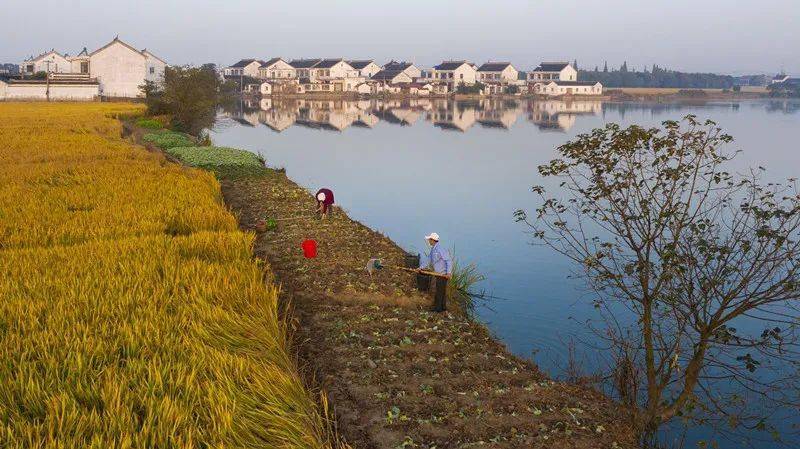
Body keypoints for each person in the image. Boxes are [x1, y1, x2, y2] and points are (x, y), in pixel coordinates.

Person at [418, 232, 452, 312]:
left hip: (442, 274)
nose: (428, 241)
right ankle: (443, 307)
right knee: (441, 291)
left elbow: (449, 261)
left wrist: (448, 273)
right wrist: (420, 268)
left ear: (433, 240)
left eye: (429, 240)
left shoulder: (440, 249)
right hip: (437, 274)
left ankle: (438, 309)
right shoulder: (433, 249)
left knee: (439, 291)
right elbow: (428, 260)